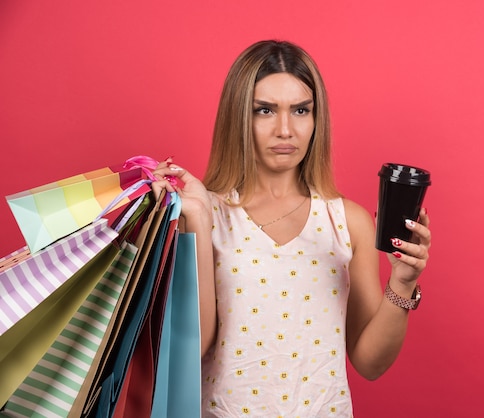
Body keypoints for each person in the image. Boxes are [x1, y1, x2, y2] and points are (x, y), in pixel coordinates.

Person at [152, 40, 431, 417]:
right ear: (239, 117)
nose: (285, 129)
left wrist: (402, 283)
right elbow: (195, 345)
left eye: (301, 110)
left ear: (317, 119)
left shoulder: (347, 221)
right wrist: (198, 220)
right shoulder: (206, 212)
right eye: (264, 110)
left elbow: (370, 363)